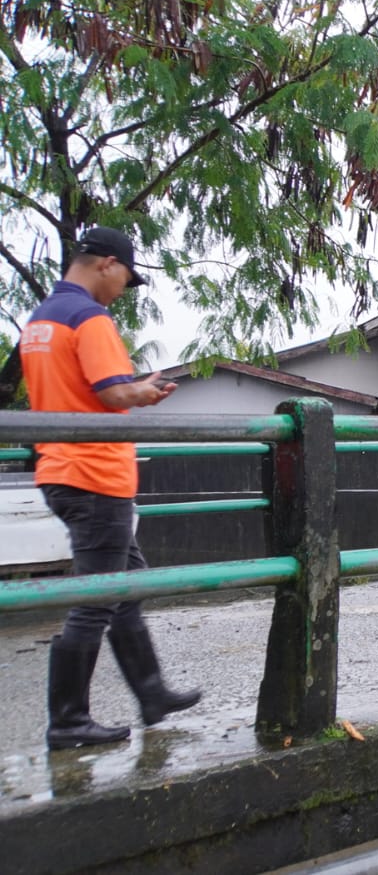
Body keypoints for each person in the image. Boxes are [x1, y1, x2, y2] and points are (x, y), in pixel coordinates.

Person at [20, 226, 201, 750]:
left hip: (60, 470)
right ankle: (69, 721)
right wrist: (146, 390)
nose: (123, 288)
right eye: (126, 276)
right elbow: (114, 392)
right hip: (96, 474)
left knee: (125, 583)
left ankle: (152, 694)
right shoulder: (90, 318)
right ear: (105, 263)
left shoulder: (41, 320)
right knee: (97, 597)